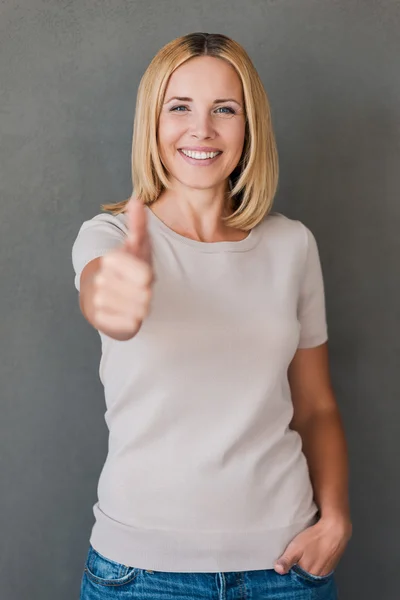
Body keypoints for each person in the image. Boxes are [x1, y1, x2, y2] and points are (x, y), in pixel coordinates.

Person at [72, 32, 352, 600]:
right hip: (139, 575)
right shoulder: (112, 237)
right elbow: (108, 302)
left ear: (250, 128)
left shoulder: (292, 245)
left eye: (225, 109)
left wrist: (337, 519)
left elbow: (317, 406)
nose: (202, 129)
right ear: (153, 121)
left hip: (286, 569)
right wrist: (118, 298)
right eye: (180, 107)